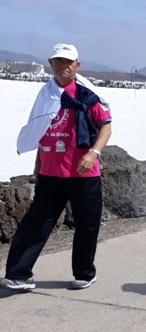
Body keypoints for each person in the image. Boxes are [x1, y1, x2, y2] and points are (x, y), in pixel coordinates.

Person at [2, 43, 112, 291]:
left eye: (68, 62)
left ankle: (84, 273)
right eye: (58, 61)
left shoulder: (87, 95)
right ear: (51, 64)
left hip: (84, 173)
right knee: (35, 223)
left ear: (77, 65)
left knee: (87, 225)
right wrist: (38, 162)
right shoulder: (46, 95)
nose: (62, 66)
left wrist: (93, 153)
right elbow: (40, 129)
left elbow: (106, 126)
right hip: (51, 173)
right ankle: (19, 274)